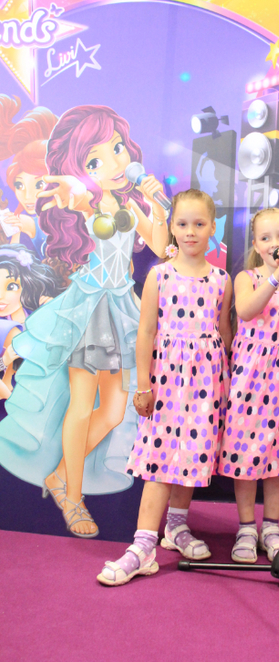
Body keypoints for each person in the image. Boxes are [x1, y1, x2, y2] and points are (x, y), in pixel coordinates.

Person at [0, 105, 168, 538]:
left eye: (117, 149)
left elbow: (160, 244)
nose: (112, 163)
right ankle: (72, 497)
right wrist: (75, 187)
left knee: (112, 411)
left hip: (121, 309)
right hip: (89, 310)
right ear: (80, 167)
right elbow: (71, 194)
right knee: (81, 404)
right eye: (95, 159)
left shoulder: (128, 201)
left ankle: (59, 475)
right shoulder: (80, 198)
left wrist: (157, 204)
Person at [97, 189, 232, 586]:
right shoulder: (160, 274)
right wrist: (143, 385)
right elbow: (146, 333)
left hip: (207, 382)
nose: (190, 231)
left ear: (211, 227)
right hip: (168, 381)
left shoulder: (222, 279)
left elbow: (224, 332)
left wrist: (230, 382)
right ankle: (143, 546)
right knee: (159, 459)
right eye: (183, 224)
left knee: (193, 453)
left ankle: (176, 525)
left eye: (199, 224)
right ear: (172, 227)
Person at [218, 207, 279, 564]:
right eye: (266, 237)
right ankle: (246, 527)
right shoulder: (248, 277)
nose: (275, 243)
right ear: (256, 245)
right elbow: (246, 310)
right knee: (245, 452)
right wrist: (275, 277)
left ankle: (272, 527)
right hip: (252, 376)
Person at [0, 244, 62, 399]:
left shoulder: (37, 314)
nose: (1, 296)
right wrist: (4, 361)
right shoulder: (5, 328)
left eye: (11, 286)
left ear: (26, 286)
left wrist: (54, 314)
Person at [0, 94, 57, 257]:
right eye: (19, 185)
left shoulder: (80, 212)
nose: (27, 196)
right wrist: (16, 229)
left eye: (39, 184)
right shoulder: (26, 221)